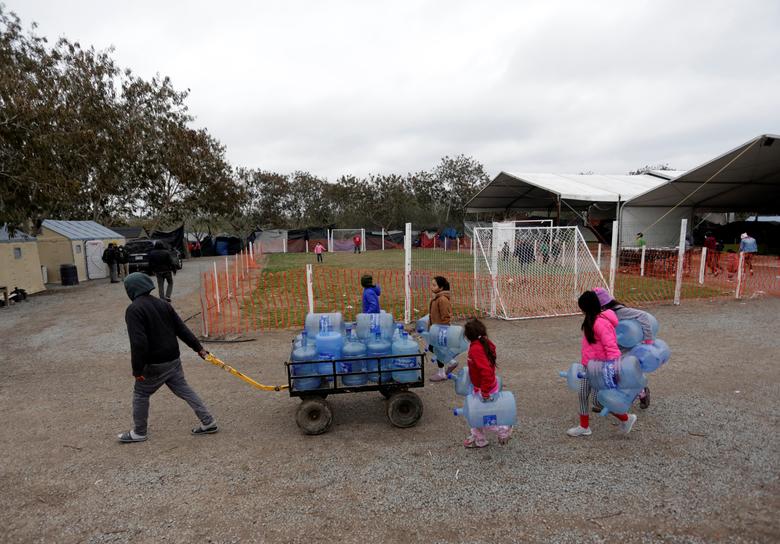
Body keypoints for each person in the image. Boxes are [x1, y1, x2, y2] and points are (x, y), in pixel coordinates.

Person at [117, 272, 217, 443]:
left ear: (131, 290)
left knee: (141, 394)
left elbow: (139, 342)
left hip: (154, 364)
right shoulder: (163, 304)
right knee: (184, 389)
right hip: (173, 359)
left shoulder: (134, 310)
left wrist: (137, 369)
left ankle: (139, 432)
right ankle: (208, 421)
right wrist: (198, 348)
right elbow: (181, 329)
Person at [567, 290, 637, 437]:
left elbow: (611, 348)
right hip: (588, 366)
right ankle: (584, 426)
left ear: (588, 307)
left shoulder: (601, 323)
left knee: (598, 401)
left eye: (582, 308)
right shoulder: (590, 320)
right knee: (582, 394)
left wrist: (612, 369)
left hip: (601, 369)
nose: (581, 311)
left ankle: (626, 418)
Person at [594, 287, 653, 409]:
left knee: (627, 374)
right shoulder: (599, 315)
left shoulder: (621, 311)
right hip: (611, 348)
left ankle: (642, 393)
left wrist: (648, 339)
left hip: (627, 349)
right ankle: (607, 400)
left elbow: (643, 316)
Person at [462, 318, 512, 448]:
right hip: (481, 387)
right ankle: (479, 438)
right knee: (474, 413)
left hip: (485, 389)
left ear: (468, 336)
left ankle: (504, 428)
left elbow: (486, 371)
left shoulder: (476, 349)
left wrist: (484, 391)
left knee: (485, 417)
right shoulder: (483, 343)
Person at [427, 276, 456, 382]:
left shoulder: (442, 300)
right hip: (435, 330)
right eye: (432, 284)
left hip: (440, 331)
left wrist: (441, 330)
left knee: (437, 350)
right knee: (433, 348)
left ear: (441, 287)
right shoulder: (437, 298)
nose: (432, 287)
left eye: (434, 285)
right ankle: (451, 361)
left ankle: (442, 373)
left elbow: (446, 317)